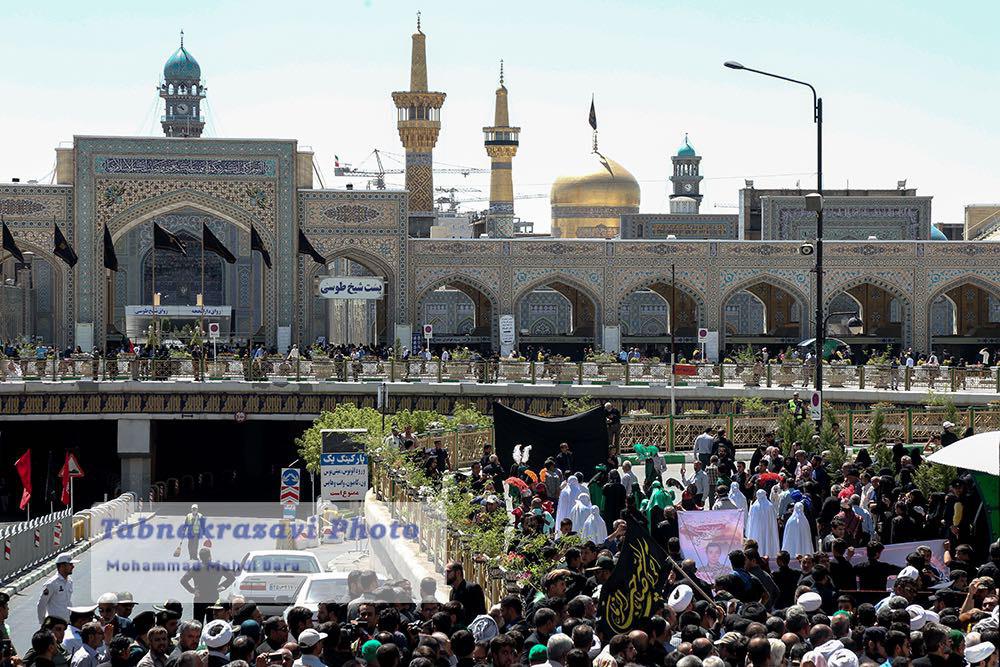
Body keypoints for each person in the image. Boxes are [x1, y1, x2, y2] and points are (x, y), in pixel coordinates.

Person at [38, 555, 78, 625]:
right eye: (70, 564)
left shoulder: (69, 581)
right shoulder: (51, 583)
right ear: (62, 566)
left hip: (67, 622)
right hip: (54, 624)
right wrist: (43, 623)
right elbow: (41, 604)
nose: (73, 566)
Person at [446, 562, 485, 626]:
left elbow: (479, 613)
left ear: (458, 573)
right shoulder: (452, 592)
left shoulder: (472, 588)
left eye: (448, 572)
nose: (445, 575)